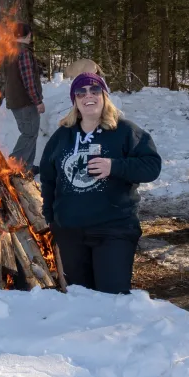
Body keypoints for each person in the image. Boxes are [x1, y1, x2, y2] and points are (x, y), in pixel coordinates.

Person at [38, 72, 162, 294]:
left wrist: (114, 167)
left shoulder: (125, 132)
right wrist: (53, 220)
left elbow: (151, 167)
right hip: (70, 233)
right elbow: (48, 179)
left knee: (111, 296)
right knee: (81, 297)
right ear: (74, 100)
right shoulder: (62, 136)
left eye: (95, 90)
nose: (88, 96)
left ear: (104, 96)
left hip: (113, 230)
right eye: (81, 92)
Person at [1, 22, 46, 172]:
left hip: (16, 101)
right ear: (28, 35)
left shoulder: (9, 52)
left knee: (30, 134)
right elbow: (29, 81)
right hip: (25, 102)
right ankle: (12, 165)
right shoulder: (24, 53)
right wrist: (38, 101)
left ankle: (27, 167)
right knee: (29, 134)